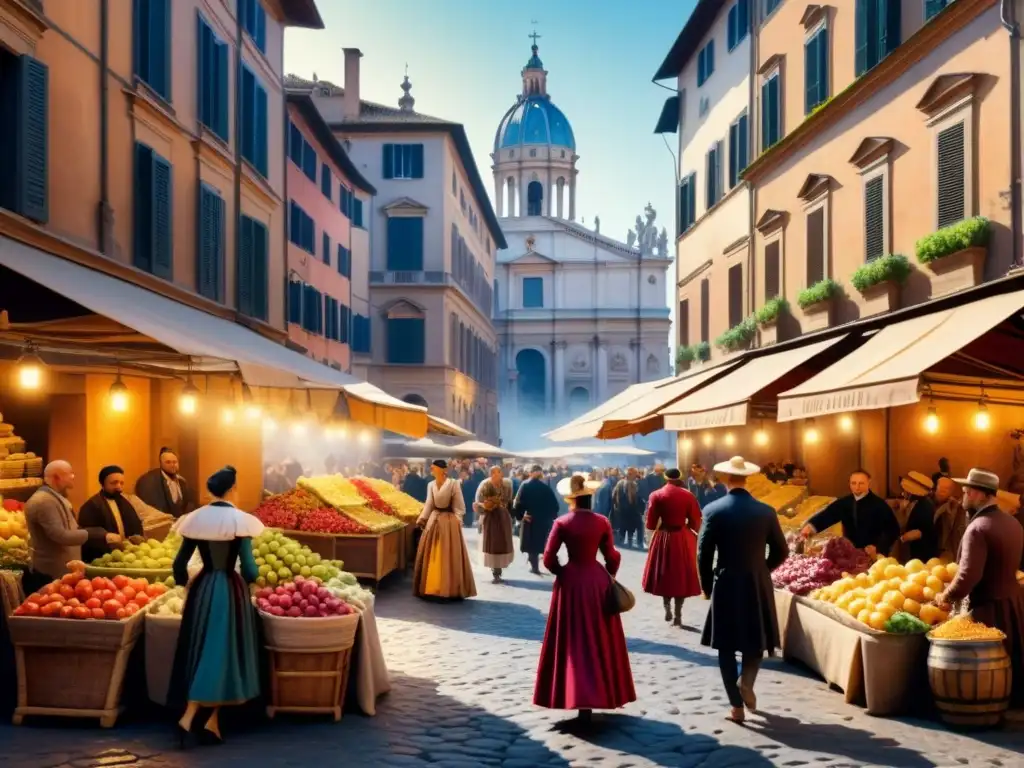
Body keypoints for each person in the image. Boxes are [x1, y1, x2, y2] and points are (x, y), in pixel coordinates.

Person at [168, 465, 263, 745]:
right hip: (228, 589)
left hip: (202, 587)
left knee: (203, 648)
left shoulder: (194, 520)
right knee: (223, 651)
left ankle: (212, 722)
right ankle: (191, 717)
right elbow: (249, 569)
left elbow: (178, 564)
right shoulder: (239, 522)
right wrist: (250, 582)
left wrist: (183, 584)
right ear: (232, 488)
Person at [534, 474, 636, 723]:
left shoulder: (562, 522)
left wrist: (564, 573)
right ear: (590, 497)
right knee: (598, 638)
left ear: (571, 499)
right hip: (596, 582)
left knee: (572, 641)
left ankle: (575, 693)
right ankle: (599, 693)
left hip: (571, 584)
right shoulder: (602, 522)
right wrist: (607, 575)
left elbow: (548, 557)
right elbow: (612, 556)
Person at [698, 456, 788, 724]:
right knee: (755, 637)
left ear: (726, 479)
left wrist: (706, 586)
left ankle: (736, 708)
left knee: (725, 645)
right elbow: (781, 550)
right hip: (757, 581)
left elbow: (704, 554)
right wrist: (763, 569)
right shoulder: (766, 511)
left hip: (726, 580)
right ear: (747, 479)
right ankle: (746, 680)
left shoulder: (713, 510)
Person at [935, 468, 1024, 709]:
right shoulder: (1012, 522)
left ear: (976, 494)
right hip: (1013, 603)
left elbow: (968, 576)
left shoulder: (978, 528)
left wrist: (946, 595)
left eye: (965, 492)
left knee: (989, 670)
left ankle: (988, 707)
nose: (963, 497)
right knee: (1010, 663)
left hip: (988, 610)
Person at [23, 460, 121, 593]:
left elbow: (72, 530)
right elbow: (60, 535)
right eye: (70, 474)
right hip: (50, 575)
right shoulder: (44, 501)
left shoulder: (54, 497)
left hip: (61, 574)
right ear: (57, 477)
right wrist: (98, 534)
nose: (73, 477)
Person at [641, 468, 702, 627]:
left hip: (664, 536)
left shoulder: (656, 495)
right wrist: (691, 531)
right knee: (681, 574)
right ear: (679, 477)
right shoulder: (688, 495)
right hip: (682, 537)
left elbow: (651, 523)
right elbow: (696, 520)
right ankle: (678, 614)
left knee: (665, 573)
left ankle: (666, 606)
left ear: (665, 477)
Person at [412, 460, 476, 600]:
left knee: (447, 554)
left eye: (433, 468)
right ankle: (432, 587)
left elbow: (459, 505)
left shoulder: (454, 484)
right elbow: (429, 503)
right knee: (433, 553)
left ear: (442, 470)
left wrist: (457, 520)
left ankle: (448, 588)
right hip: (434, 520)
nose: (431, 469)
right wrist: (422, 519)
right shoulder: (431, 485)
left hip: (449, 522)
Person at [801, 469, 900, 557]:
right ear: (849, 484)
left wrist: (879, 547)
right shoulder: (844, 502)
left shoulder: (879, 504)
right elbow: (829, 514)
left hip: (873, 554)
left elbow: (893, 530)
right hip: (849, 552)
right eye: (853, 483)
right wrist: (811, 526)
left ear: (868, 483)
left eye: (861, 483)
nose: (857, 487)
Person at [78, 465, 145, 564]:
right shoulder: (92, 506)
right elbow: (86, 534)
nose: (118, 486)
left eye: (121, 483)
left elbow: (135, 526)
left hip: (126, 556)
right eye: (114, 483)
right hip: (103, 559)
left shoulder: (125, 502)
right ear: (103, 484)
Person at [513, 465, 561, 574]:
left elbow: (518, 503)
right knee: (543, 543)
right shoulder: (546, 487)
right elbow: (555, 506)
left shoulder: (525, 485)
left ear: (530, 473)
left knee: (532, 546)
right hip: (544, 520)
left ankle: (535, 567)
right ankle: (551, 565)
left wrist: (520, 516)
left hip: (530, 519)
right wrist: (550, 517)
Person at [473, 466, 515, 583]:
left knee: (502, 543)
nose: (496, 474)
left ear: (502, 473)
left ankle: (499, 569)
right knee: (492, 543)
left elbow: (510, 501)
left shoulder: (507, 485)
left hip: (503, 517)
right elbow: (478, 502)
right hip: (490, 517)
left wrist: (510, 514)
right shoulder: (485, 485)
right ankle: (495, 570)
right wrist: (484, 507)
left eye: (498, 472)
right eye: (493, 472)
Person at [135, 447, 193, 518]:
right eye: (168, 462)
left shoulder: (182, 482)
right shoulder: (149, 482)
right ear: (161, 464)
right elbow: (152, 509)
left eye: (175, 462)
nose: (172, 465)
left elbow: (189, 503)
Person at [895, 471, 938, 563]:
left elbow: (920, 532)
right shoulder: (917, 503)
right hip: (916, 552)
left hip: (922, 555)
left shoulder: (925, 507)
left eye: (905, 490)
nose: (903, 493)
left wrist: (901, 539)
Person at [932, 476, 968, 561]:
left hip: (945, 549)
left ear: (952, 492)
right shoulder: (928, 503)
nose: (942, 491)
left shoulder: (955, 507)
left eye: (947, 489)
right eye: (940, 487)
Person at [612, 467, 645, 548]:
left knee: (623, 528)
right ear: (632, 475)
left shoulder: (619, 483)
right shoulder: (633, 485)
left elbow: (613, 497)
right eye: (635, 475)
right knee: (640, 525)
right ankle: (639, 543)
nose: (636, 477)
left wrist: (616, 507)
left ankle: (622, 541)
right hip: (632, 513)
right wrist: (641, 510)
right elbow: (638, 499)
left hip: (621, 512)